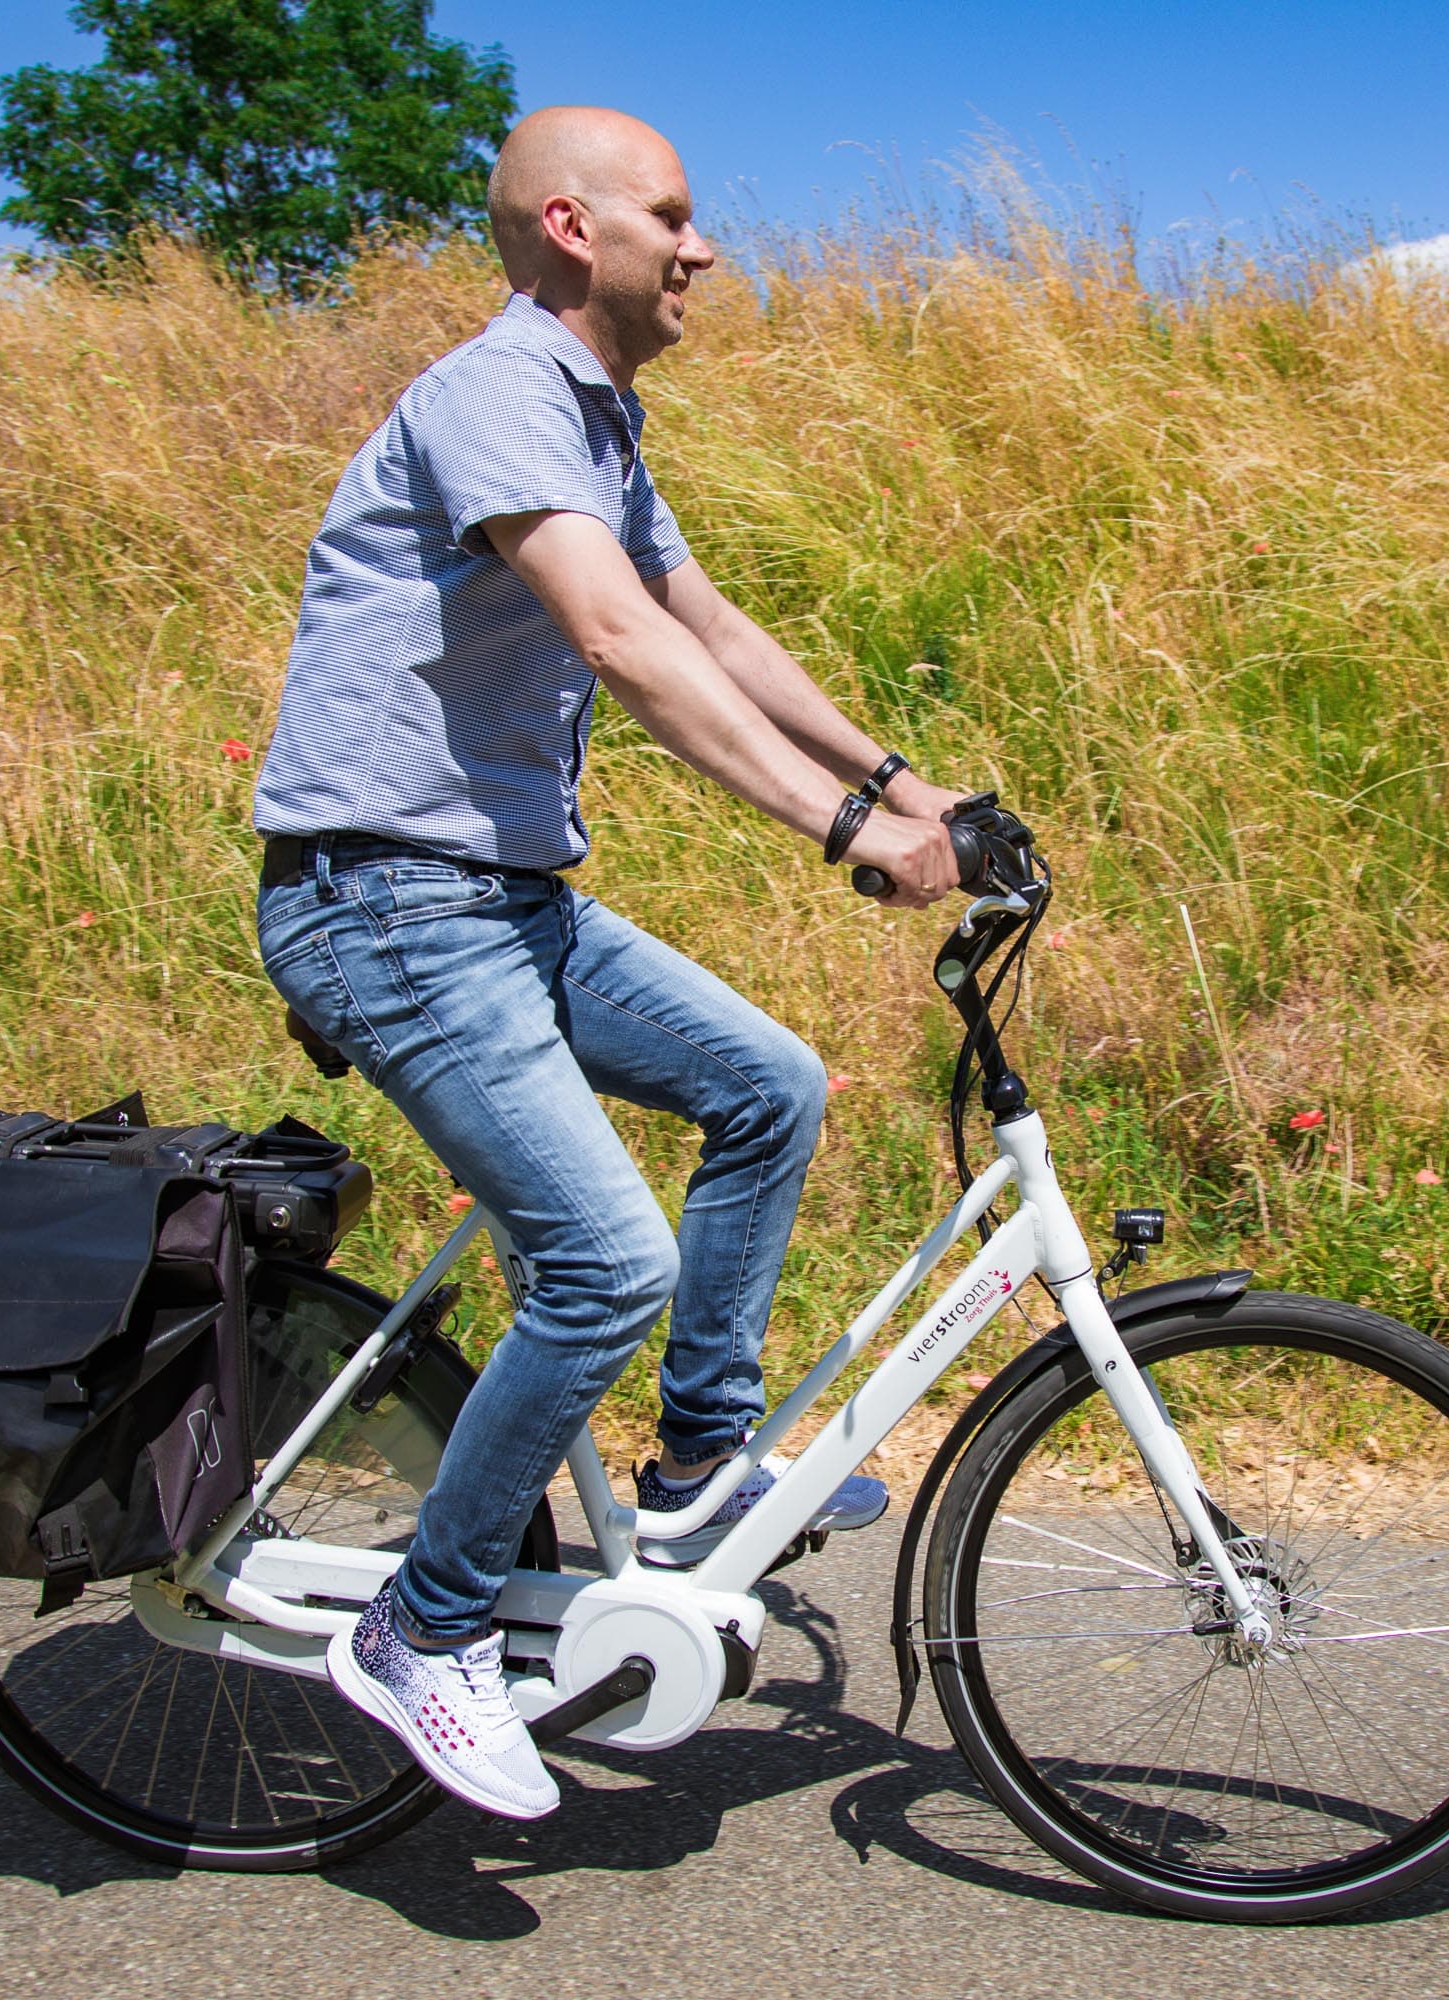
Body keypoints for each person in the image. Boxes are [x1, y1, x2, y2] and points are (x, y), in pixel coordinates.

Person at [251, 106, 972, 1821]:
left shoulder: (598, 420)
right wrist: (842, 832)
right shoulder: (497, 392)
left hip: (498, 903)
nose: (704, 247)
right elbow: (620, 634)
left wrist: (907, 786)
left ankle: (703, 1463)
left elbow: (715, 625)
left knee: (767, 1085)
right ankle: (422, 1638)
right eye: (676, 215)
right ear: (575, 229)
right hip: (387, 906)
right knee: (601, 1267)